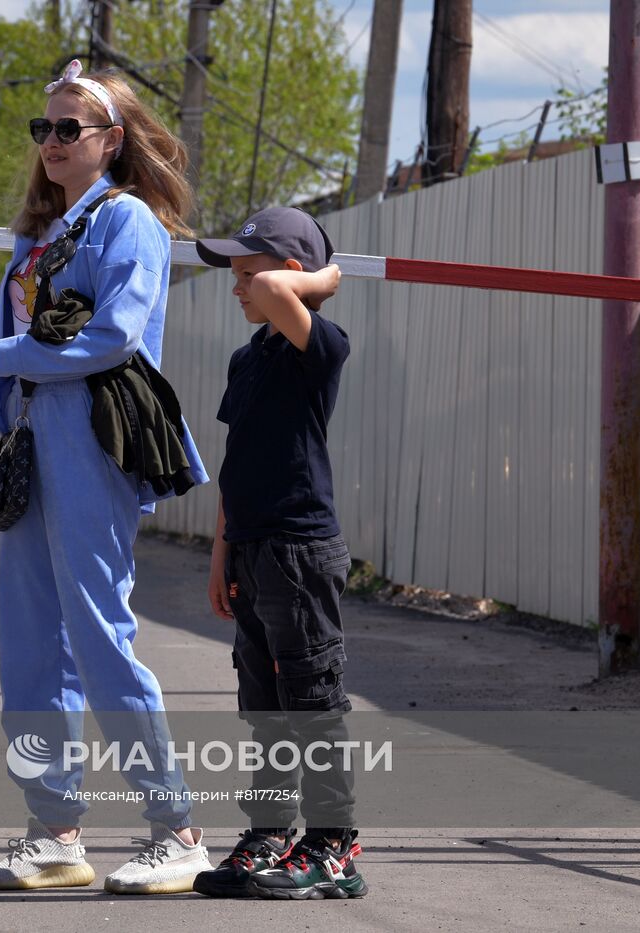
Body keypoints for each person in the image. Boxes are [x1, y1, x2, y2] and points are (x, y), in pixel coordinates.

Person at [0, 60, 211, 895]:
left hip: (91, 435)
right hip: (35, 439)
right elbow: (12, 345)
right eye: (41, 129)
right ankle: (54, 828)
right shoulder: (36, 234)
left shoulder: (131, 224)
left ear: (111, 141)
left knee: (95, 632)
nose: (49, 142)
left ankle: (177, 825)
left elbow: (114, 337)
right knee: (29, 645)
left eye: (67, 129)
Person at [188, 207, 367, 900]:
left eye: (246, 273)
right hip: (253, 550)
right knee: (264, 705)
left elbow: (275, 295)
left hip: (300, 549)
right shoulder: (251, 355)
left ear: (290, 278)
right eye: (233, 275)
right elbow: (238, 461)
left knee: (312, 700)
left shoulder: (318, 345)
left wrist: (323, 277)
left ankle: (332, 845)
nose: (239, 288)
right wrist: (219, 556)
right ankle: (269, 834)